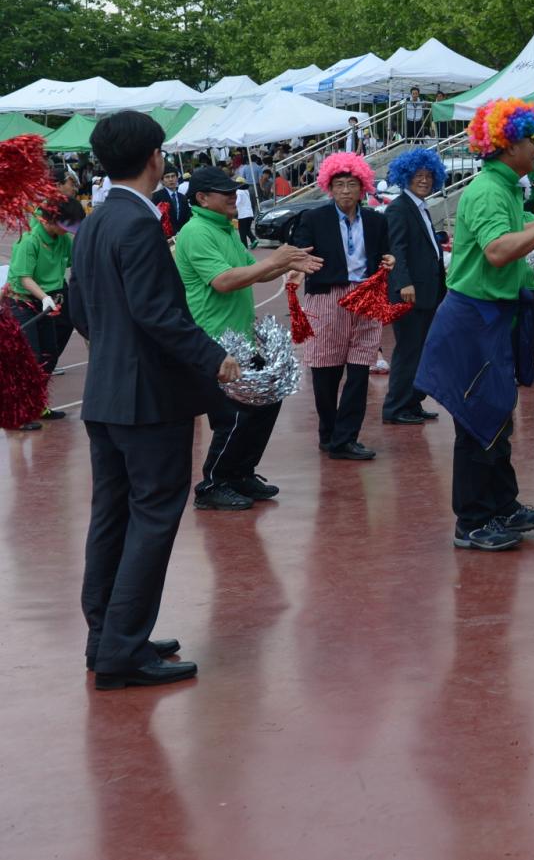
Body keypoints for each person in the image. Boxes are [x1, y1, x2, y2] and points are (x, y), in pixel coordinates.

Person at [69, 110, 239, 690]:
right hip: (148, 400)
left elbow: (81, 309)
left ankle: (108, 638)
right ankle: (122, 650)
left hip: (105, 393)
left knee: (112, 518)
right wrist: (214, 357)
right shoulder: (138, 223)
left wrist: (114, 355)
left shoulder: (95, 220)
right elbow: (157, 313)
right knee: (152, 517)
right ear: (154, 158)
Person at [417, 99, 534, 551]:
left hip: (489, 317)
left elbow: (515, 234)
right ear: (509, 145)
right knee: (477, 418)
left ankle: (502, 504)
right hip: (473, 317)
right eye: (531, 139)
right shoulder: (490, 190)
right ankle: (472, 521)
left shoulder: (506, 187)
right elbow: (497, 251)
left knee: (496, 412)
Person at [174, 166, 322, 510]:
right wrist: (275, 261)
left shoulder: (223, 229)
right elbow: (224, 281)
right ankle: (213, 484)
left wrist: (289, 263)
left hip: (241, 338)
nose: (233, 197)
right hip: (216, 341)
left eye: (234, 191)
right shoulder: (196, 232)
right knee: (234, 416)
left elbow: (254, 273)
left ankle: (240, 472)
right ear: (202, 198)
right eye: (225, 192)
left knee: (268, 398)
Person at [289, 151, 393, 460]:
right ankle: (329, 433)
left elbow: (385, 253)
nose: (346, 191)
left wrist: (389, 260)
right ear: (329, 188)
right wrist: (300, 265)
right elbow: (300, 251)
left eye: (351, 184)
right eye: (339, 185)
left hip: (366, 296)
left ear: (363, 188)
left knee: (360, 370)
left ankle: (346, 438)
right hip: (327, 296)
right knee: (325, 370)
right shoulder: (313, 219)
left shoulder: (376, 221)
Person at [4, 195, 84, 429]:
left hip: (46, 301)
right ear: (51, 220)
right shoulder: (29, 239)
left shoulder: (62, 239)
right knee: (29, 358)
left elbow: (76, 259)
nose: (68, 230)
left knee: (49, 354)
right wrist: (44, 297)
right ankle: (17, 414)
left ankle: (37, 404)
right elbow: (24, 277)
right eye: (65, 225)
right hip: (22, 302)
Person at [382, 147, 447, 425]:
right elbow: (395, 248)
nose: (424, 180)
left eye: (429, 175)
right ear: (405, 176)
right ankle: (395, 407)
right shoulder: (399, 208)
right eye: (418, 175)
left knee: (421, 351)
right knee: (408, 351)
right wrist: (403, 282)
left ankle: (412, 402)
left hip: (427, 292)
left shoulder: (420, 207)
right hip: (410, 293)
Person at [154, 167, 190, 232]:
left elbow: (187, 217)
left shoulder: (183, 198)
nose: (171, 179)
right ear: (162, 181)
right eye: (167, 177)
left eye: (173, 176)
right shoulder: (156, 197)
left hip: (182, 233)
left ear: (177, 178)